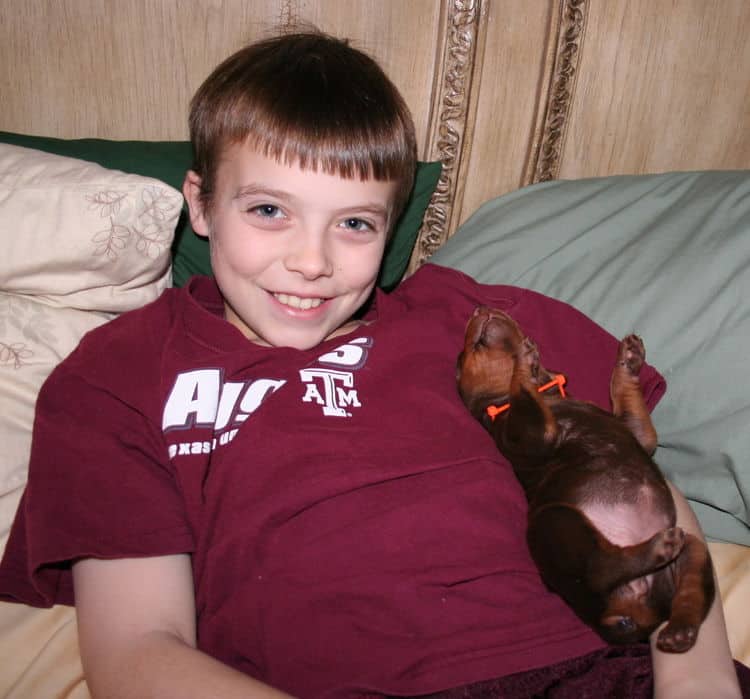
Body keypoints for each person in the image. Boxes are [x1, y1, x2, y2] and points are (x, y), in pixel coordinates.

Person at [0, 30, 744, 699]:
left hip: (608, 666)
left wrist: (696, 672)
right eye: (268, 210)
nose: (311, 261)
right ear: (200, 204)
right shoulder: (119, 372)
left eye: (353, 223)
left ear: (389, 229)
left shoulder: (465, 318)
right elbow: (136, 651)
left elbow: (636, 481)